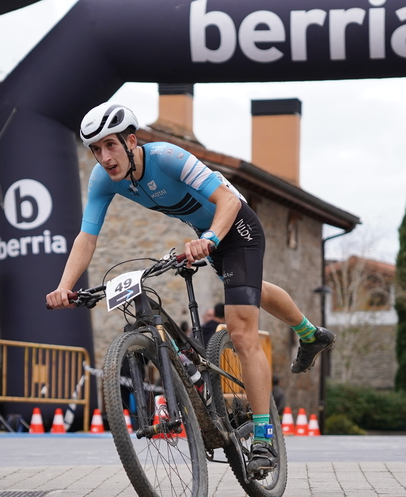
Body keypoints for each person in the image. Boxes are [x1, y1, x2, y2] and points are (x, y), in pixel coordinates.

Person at [46, 104, 335, 474]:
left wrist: (211, 238)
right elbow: (87, 237)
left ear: (131, 141)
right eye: (96, 150)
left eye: (110, 146)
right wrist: (64, 287)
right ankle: (310, 333)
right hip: (205, 234)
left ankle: (263, 438)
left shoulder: (167, 157)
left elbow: (227, 200)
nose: (104, 158)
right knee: (254, 290)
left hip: (235, 225)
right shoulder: (104, 179)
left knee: (241, 330)